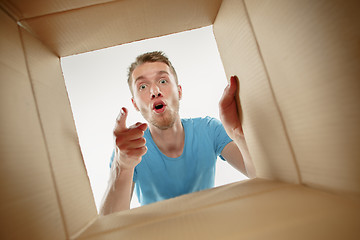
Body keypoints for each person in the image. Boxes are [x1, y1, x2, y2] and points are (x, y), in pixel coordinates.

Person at [100, 51, 255, 215]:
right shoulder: (130, 149)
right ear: (135, 104)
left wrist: (236, 133)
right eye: (143, 86)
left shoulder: (209, 129)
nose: (155, 91)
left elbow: (261, 175)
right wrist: (122, 166)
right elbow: (109, 225)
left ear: (179, 91)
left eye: (163, 80)